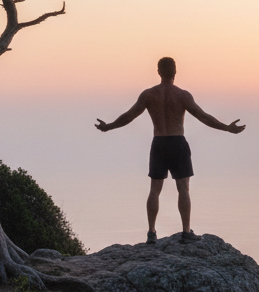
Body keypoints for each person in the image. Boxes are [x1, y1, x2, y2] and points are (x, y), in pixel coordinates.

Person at [95, 57, 245, 243]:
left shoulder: (149, 95)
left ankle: (151, 232)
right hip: (177, 143)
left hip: (158, 143)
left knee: (155, 189)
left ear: (158, 72)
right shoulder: (182, 95)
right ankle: (186, 231)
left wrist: (108, 126)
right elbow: (203, 117)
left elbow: (129, 116)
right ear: (175, 71)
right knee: (183, 188)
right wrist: (227, 128)